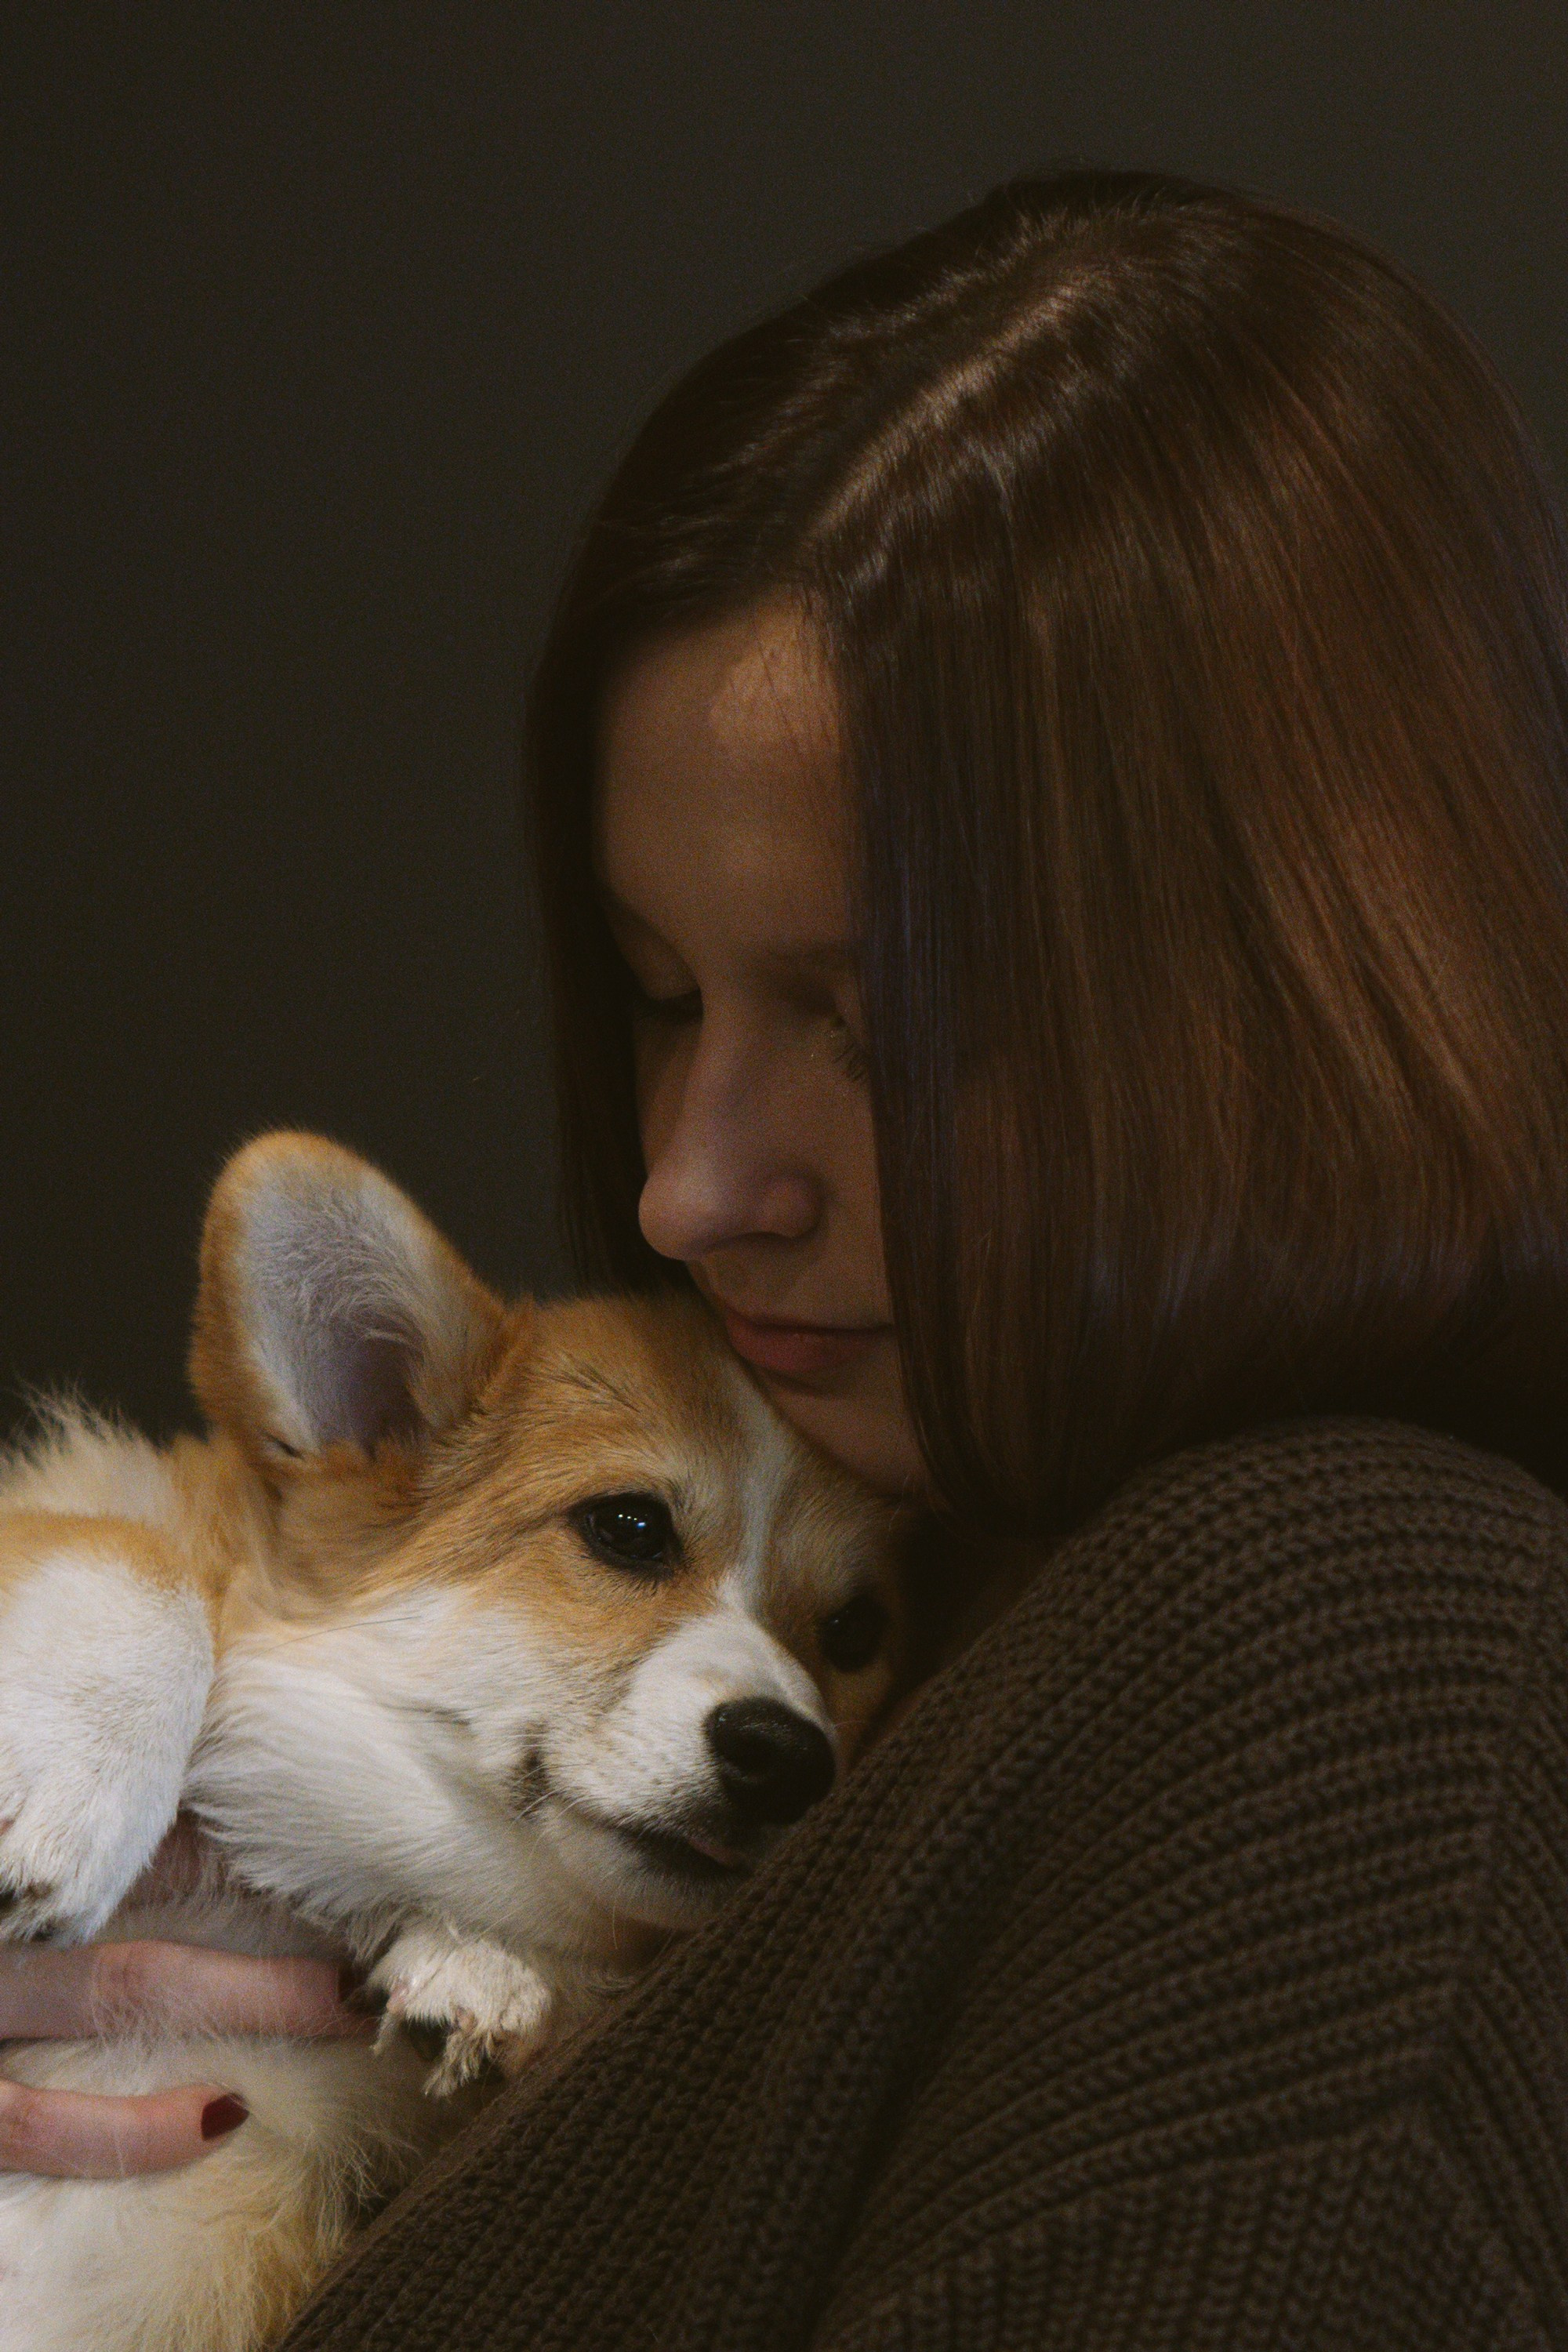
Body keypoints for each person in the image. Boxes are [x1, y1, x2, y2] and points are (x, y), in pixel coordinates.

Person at [9, 170, 1568, 2346]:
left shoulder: (1353, 1667)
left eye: (879, 1020)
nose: (685, 1186)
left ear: (1302, 985)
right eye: (662, 993)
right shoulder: (989, 1663)